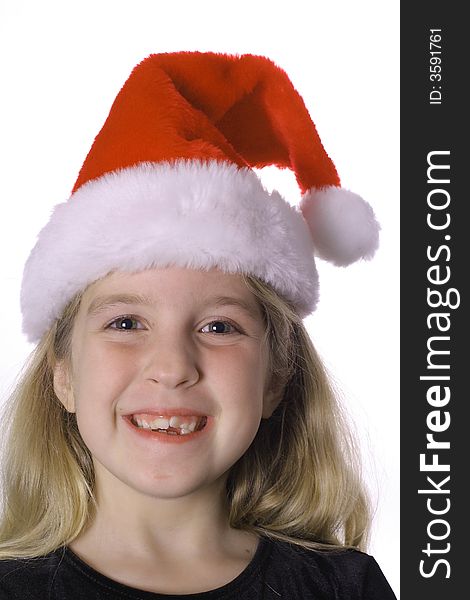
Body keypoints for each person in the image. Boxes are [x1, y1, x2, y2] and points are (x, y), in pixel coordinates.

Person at [0, 51, 396, 599]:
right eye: (125, 321)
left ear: (277, 377)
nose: (172, 368)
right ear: (62, 374)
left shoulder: (342, 588)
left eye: (218, 327)